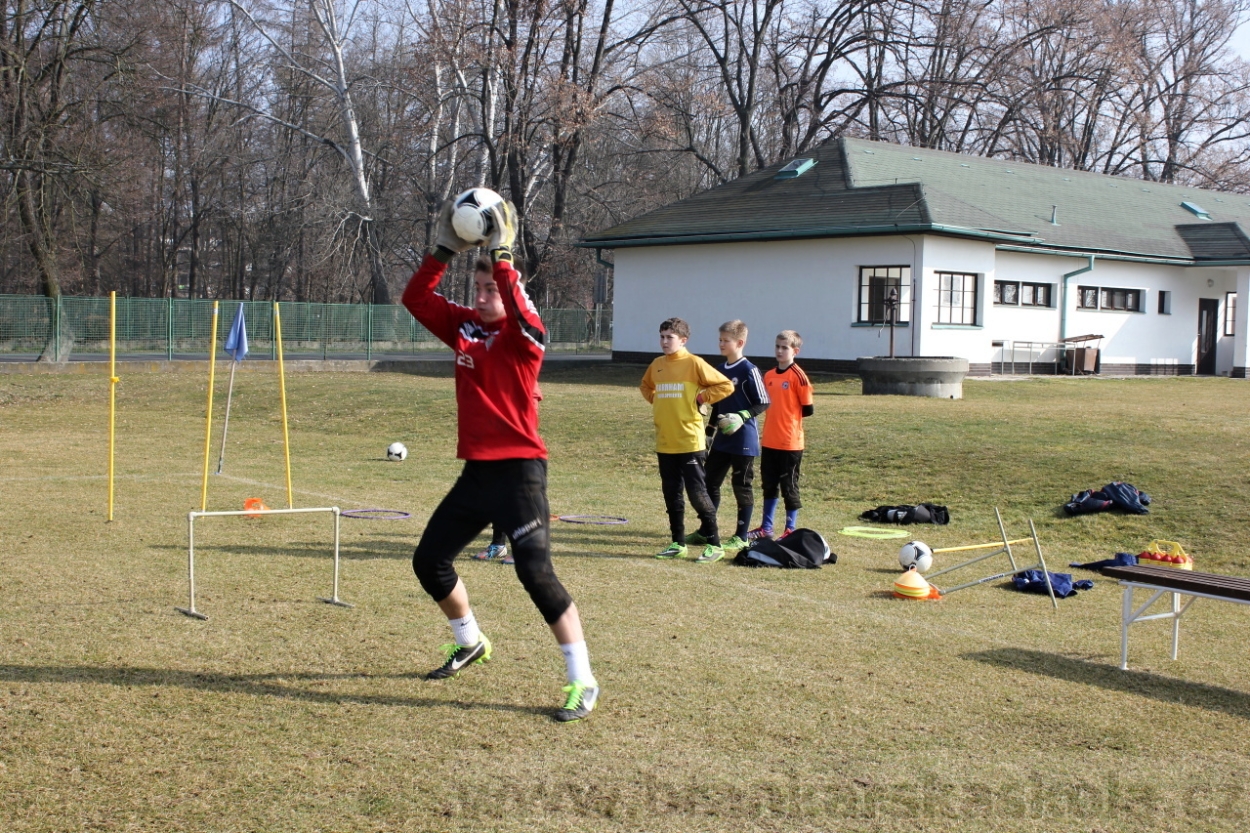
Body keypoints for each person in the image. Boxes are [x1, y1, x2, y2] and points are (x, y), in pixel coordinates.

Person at [401, 199, 597, 723]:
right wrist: (443, 251)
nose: (484, 296)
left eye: (492, 289)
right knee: (429, 562)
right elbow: (415, 298)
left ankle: (583, 680)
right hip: (476, 473)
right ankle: (470, 642)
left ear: (511, 292)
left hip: (520, 474)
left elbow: (527, 321)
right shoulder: (464, 328)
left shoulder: (524, 336)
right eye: (479, 288)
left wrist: (503, 255)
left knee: (535, 573)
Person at [639, 317, 733, 562]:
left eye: (669, 337)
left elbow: (725, 386)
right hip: (665, 440)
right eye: (662, 336)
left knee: (697, 493)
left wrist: (702, 398)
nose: (664, 341)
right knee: (672, 493)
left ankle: (715, 544)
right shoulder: (657, 364)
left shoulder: (694, 363)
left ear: (683, 340)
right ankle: (677, 543)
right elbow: (646, 386)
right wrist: (658, 401)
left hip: (690, 441)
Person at [704, 320, 769, 551]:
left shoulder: (749, 370)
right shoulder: (719, 370)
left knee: (741, 485)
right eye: (720, 340)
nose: (721, 344)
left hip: (744, 440)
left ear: (740, 342)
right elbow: (716, 406)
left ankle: (741, 535)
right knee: (709, 482)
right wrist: (709, 434)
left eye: (726, 340)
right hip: (722, 440)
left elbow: (763, 402)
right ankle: (706, 530)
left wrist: (742, 416)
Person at [749, 330, 814, 540]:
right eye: (777, 346)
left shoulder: (798, 376)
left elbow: (808, 409)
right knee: (769, 484)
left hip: (790, 443)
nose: (779, 351)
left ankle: (790, 530)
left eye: (784, 347)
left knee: (789, 487)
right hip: (769, 440)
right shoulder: (768, 375)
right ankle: (766, 528)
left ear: (795, 351)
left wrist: (788, 422)